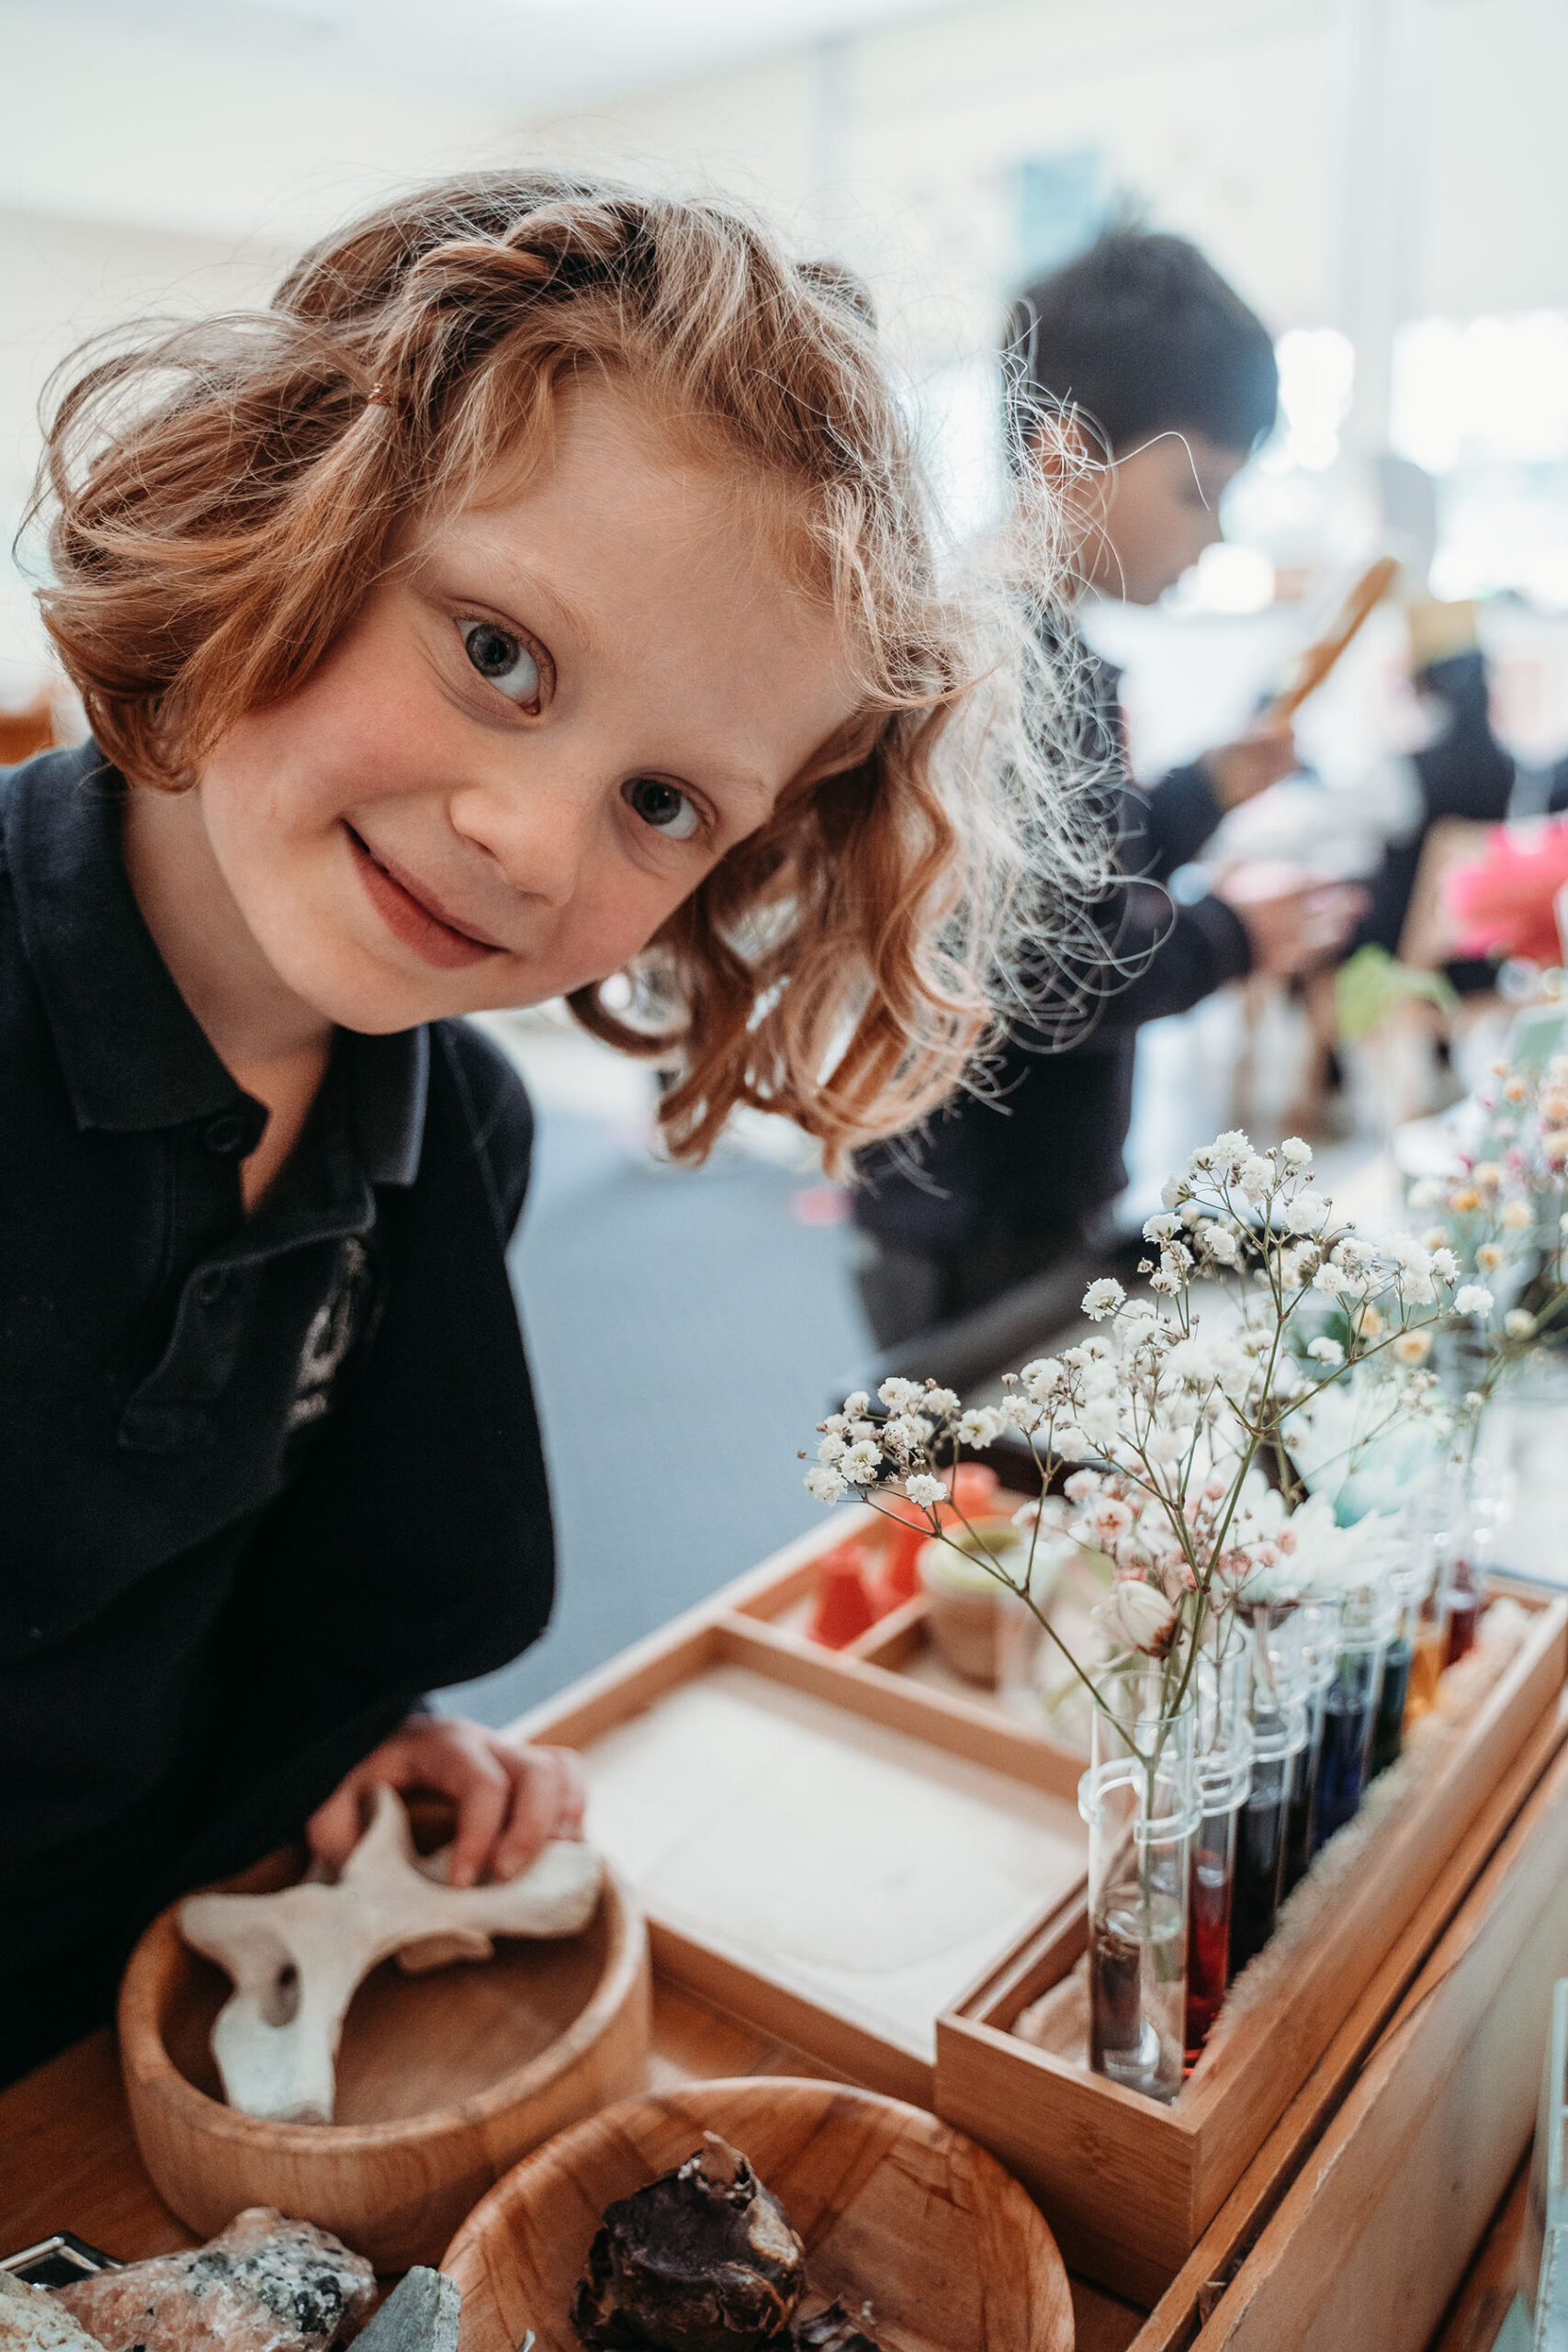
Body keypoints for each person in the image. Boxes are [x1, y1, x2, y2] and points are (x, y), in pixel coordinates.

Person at [0, 172, 1101, 2080]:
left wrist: (346, 1735)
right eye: (496, 651)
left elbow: (246, 1582)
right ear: (292, 500)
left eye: (664, 802)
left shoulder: (455, 1127)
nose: (529, 838)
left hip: (141, 2020)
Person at [852, 230, 1362, 1349]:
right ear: (1066, 453)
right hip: (974, 1200)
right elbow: (1052, 966)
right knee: (985, 1503)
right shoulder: (1018, 667)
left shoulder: (1025, 639)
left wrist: (1204, 791)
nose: (1214, 533)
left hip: (983, 1186)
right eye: (1196, 491)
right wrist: (1233, 934)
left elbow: (1075, 868)